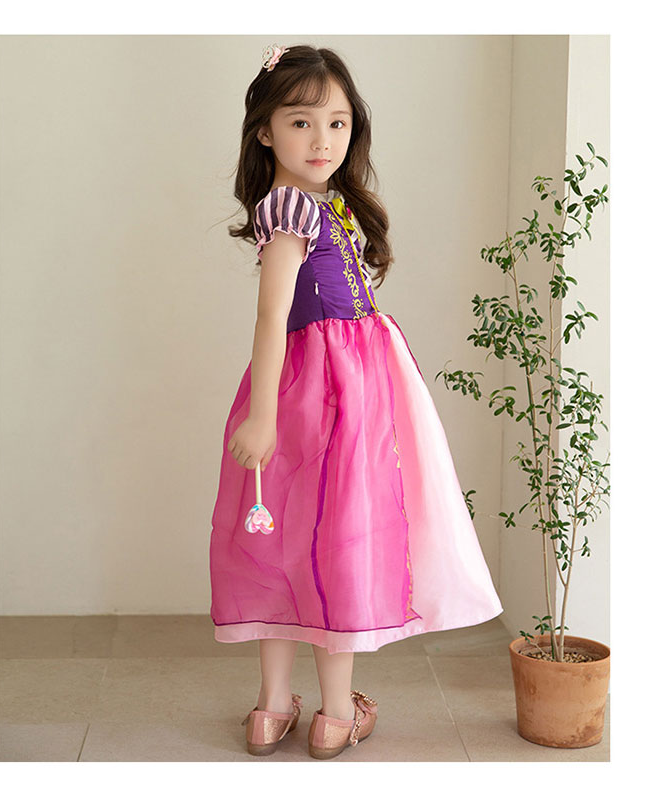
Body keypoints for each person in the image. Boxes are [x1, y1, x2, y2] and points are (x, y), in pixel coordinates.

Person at [209, 43, 503, 760]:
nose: (322, 140)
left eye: (336, 123)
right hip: (319, 394)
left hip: (344, 389)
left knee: (295, 542)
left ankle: (274, 707)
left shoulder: (324, 205)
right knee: (330, 539)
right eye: (301, 122)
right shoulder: (289, 208)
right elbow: (271, 316)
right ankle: (333, 713)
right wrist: (263, 415)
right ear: (264, 131)